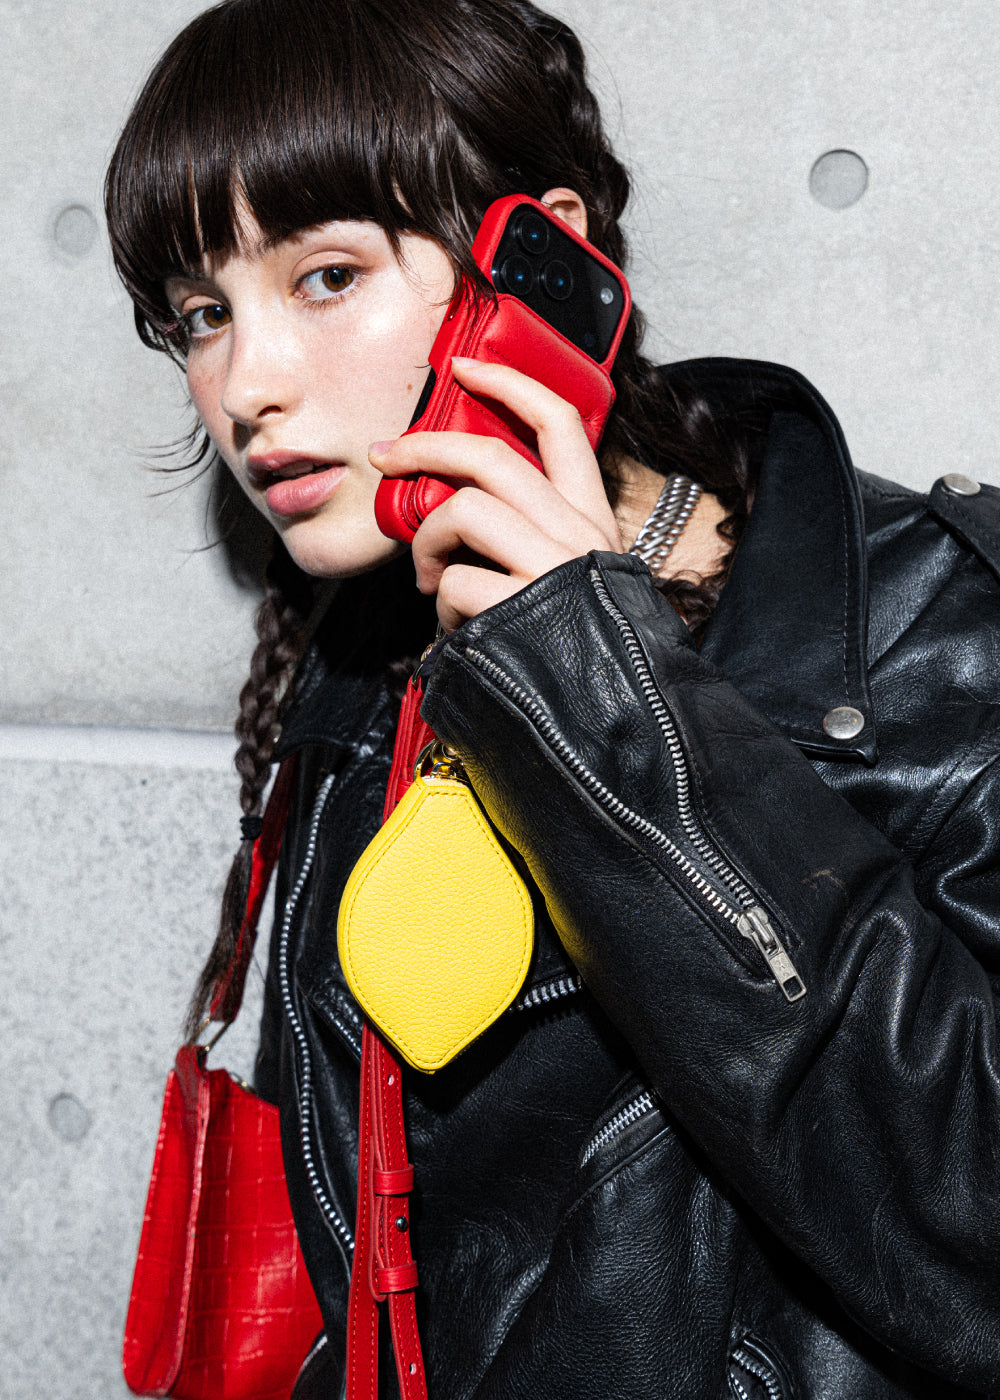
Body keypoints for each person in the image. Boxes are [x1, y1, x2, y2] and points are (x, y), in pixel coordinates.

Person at [105, 1, 1000, 1396]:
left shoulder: (928, 635)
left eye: (326, 276)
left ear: (537, 261)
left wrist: (596, 681)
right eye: (203, 316)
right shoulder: (363, 657)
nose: (246, 386)